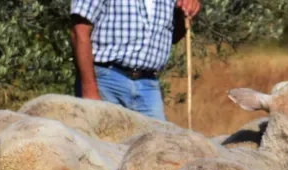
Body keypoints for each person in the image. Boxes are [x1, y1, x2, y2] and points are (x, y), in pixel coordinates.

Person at [69, 0, 201, 120]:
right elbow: (79, 30)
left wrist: (184, 12)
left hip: (148, 86)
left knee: (160, 144)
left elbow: (174, 37)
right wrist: (89, 90)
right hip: (105, 81)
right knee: (102, 143)